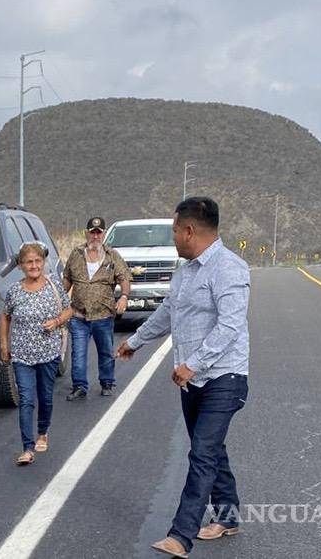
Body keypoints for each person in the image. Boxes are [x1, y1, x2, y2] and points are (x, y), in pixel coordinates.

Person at [114, 197, 250, 558]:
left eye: (174, 230)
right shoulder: (185, 271)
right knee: (211, 450)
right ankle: (228, 516)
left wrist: (195, 363)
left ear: (189, 230)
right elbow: (167, 312)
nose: (173, 237)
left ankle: (181, 535)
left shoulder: (230, 268)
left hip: (224, 377)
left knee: (202, 452)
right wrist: (135, 342)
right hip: (192, 380)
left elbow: (230, 326)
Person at [0, 242, 72, 465]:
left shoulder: (53, 286)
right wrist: (4, 343)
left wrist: (57, 321)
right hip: (22, 355)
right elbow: (5, 316)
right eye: (29, 262)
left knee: (45, 397)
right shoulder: (14, 291)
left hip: (48, 353)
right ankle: (27, 448)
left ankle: (43, 431)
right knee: (26, 400)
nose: (34, 265)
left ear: (43, 262)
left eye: (37, 261)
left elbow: (70, 309)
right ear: (21, 265)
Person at [63, 216, 132, 400]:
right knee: (78, 353)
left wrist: (124, 297)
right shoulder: (76, 254)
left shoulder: (112, 256)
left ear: (103, 234)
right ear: (86, 234)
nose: (95, 236)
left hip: (103, 315)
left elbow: (124, 278)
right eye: (92, 233)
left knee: (105, 351)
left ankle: (107, 383)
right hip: (78, 315)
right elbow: (67, 279)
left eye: (98, 233)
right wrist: (60, 301)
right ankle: (79, 386)